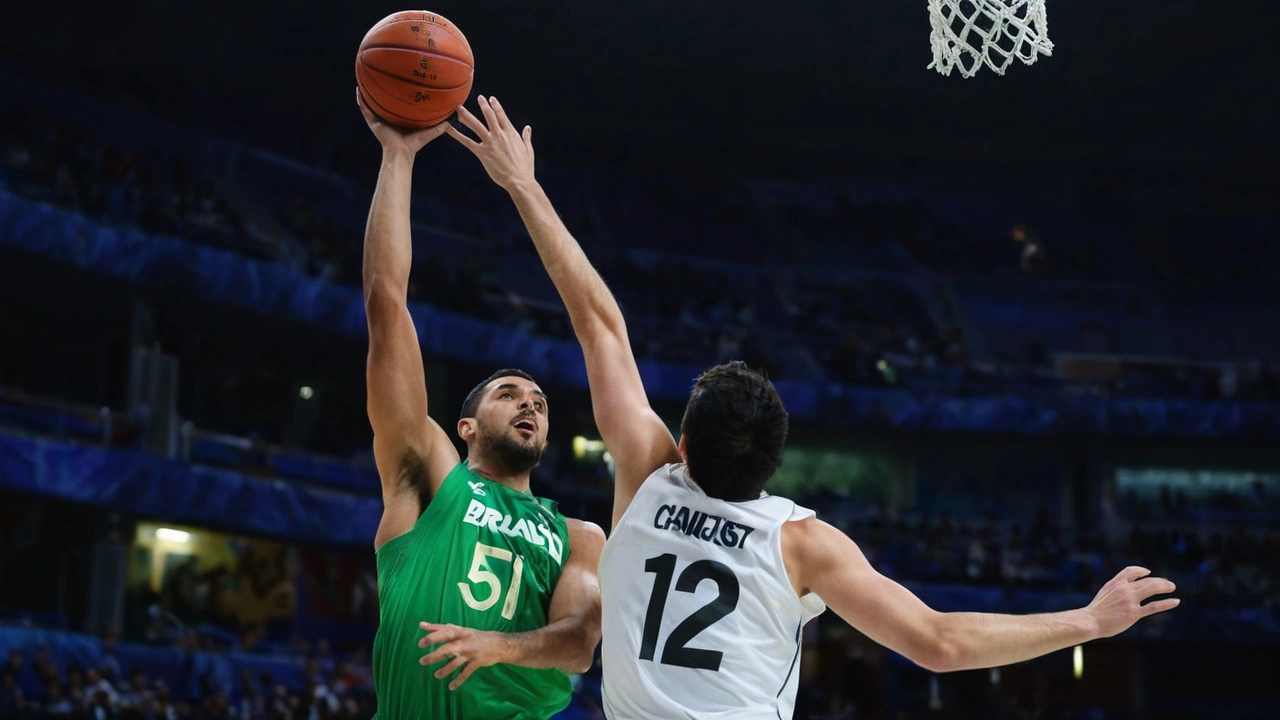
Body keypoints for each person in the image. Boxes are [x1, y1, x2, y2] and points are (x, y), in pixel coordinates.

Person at [448, 95, 1181, 719]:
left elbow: (597, 320)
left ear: (680, 445)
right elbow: (940, 643)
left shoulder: (646, 480)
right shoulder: (801, 541)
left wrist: (523, 188)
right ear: (774, 464)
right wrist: (1088, 621)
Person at [356, 92, 604, 720]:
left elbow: (578, 644)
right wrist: (397, 157)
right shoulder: (430, 479)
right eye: (509, 394)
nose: (530, 404)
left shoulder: (577, 537)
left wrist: (498, 646)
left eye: (540, 402)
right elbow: (387, 305)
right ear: (464, 426)